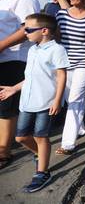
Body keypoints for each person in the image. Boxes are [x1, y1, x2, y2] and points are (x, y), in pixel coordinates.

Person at [0, 13, 68, 192]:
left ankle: (42, 172)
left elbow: (62, 76)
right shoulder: (32, 50)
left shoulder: (57, 50)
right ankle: (40, 154)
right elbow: (29, 77)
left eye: (28, 29)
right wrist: (14, 89)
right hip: (27, 103)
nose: (25, 32)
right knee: (21, 137)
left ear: (44, 31)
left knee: (40, 136)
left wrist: (57, 100)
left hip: (46, 102)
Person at [50, 0, 85, 155]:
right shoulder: (61, 14)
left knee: (74, 99)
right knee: (71, 98)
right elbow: (56, 36)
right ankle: (79, 127)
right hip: (64, 62)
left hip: (83, 62)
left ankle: (67, 144)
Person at [0, 0, 40, 169]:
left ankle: (3, 152)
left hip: (13, 58)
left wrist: (1, 46)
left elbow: (29, 28)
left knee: (6, 107)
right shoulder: (2, 1)